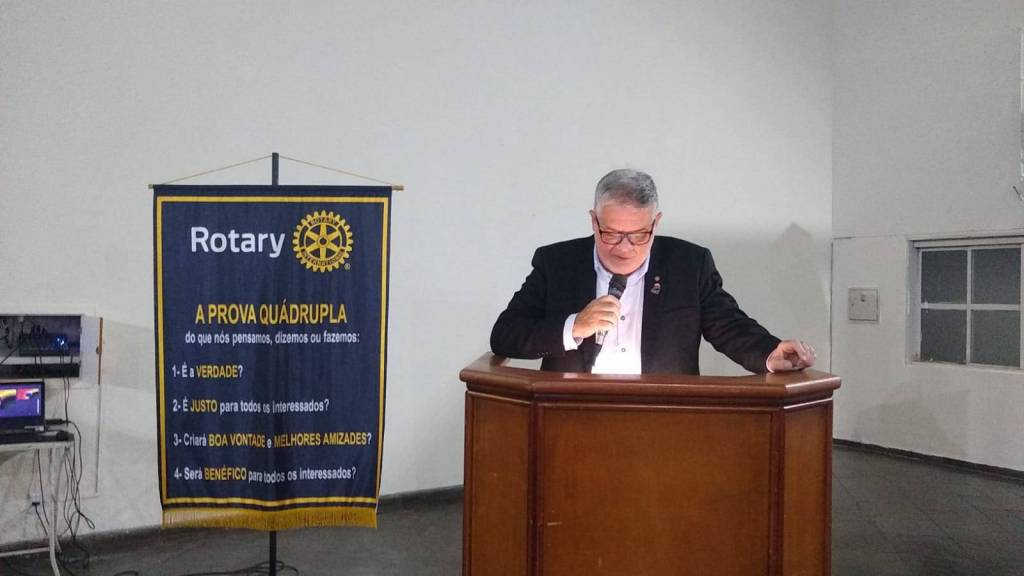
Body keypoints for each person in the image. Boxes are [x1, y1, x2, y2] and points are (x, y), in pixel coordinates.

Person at [490, 168, 815, 375]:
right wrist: (575, 326)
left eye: (638, 235)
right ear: (593, 221)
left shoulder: (689, 264)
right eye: (611, 233)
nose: (624, 247)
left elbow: (728, 325)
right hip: (570, 416)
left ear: (656, 224)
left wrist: (769, 352)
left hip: (662, 416)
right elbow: (505, 335)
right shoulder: (557, 263)